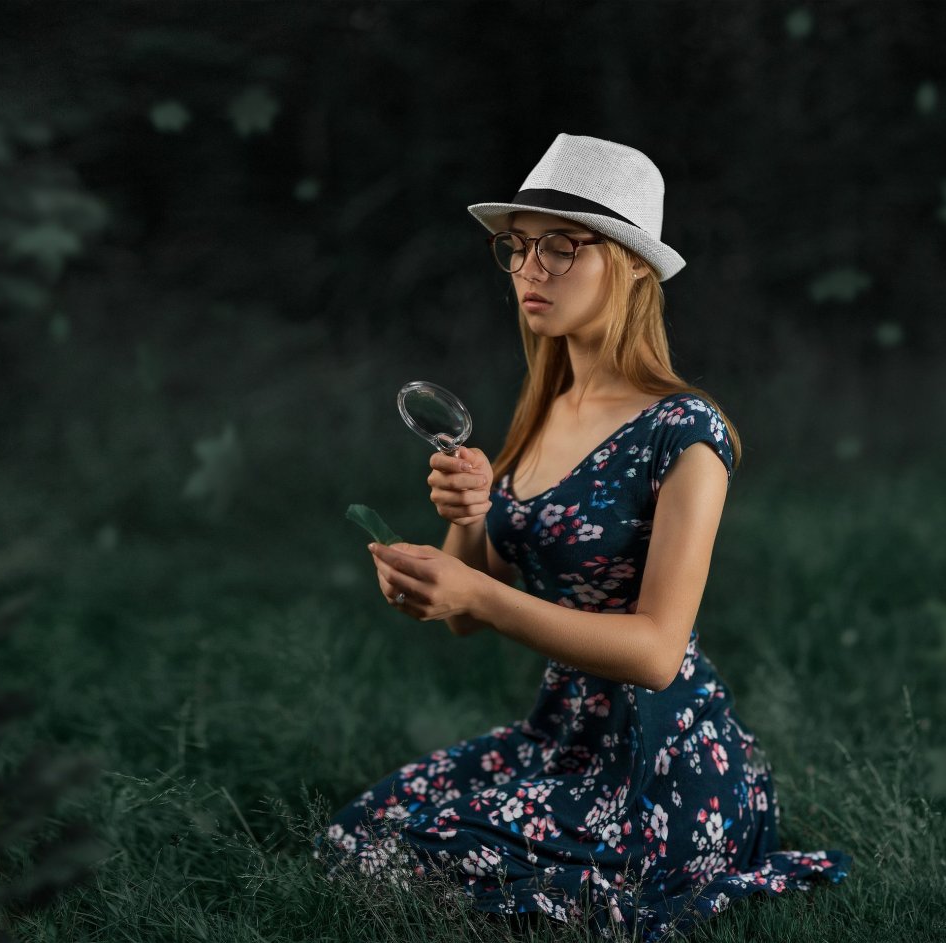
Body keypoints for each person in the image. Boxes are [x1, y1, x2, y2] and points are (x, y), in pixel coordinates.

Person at [316, 133, 851, 939]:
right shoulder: (544, 412)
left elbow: (657, 652)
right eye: (518, 247)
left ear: (631, 266)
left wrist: (479, 593)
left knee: (427, 858)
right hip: (564, 733)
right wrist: (462, 522)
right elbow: (464, 616)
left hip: (664, 759)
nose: (531, 269)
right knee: (361, 832)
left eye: (561, 247)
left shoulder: (684, 432)